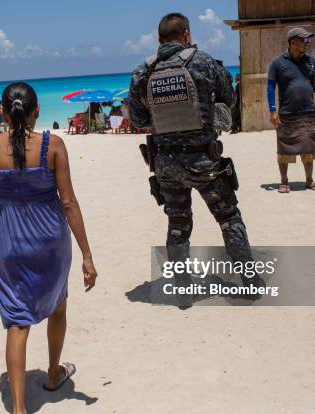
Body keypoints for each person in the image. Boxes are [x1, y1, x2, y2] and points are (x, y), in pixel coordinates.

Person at [128, 12, 260, 309]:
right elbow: (229, 101)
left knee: (178, 224)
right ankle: (250, 282)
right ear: (186, 34)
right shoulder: (204, 62)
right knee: (228, 218)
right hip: (204, 160)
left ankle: (183, 291)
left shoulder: (142, 72)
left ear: (160, 39)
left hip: (165, 163)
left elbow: (137, 119)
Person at [0, 82, 97, 414]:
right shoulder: (53, 145)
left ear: (2, 110)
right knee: (57, 305)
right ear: (37, 112)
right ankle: (52, 374)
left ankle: (18, 408)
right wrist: (87, 255)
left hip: (7, 242)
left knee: (17, 323)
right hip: (49, 242)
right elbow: (69, 203)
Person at [267, 27, 315, 193]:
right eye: (304, 40)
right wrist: (273, 109)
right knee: (285, 148)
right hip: (287, 114)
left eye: (308, 40)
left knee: (309, 148)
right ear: (292, 42)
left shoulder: (311, 61)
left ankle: (309, 181)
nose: (307, 43)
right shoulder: (278, 63)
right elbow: (271, 86)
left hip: (308, 112)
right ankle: (284, 181)